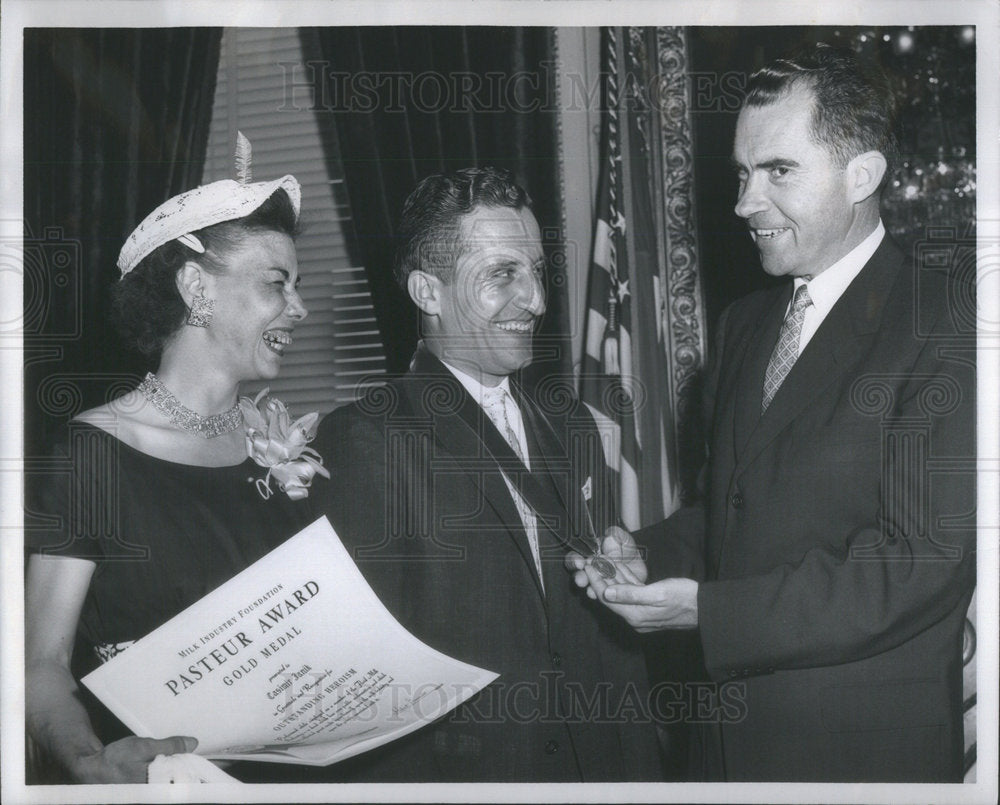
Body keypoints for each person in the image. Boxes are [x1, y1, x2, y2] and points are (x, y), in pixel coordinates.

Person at [569, 44, 976, 782]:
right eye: (740, 174)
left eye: (777, 171)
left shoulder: (947, 321)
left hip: (859, 758)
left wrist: (709, 616)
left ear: (864, 174)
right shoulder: (745, 326)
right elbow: (735, 512)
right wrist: (647, 553)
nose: (743, 203)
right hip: (722, 751)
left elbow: (921, 563)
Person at [309, 167, 664, 782]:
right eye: (503, 274)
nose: (537, 300)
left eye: (537, 272)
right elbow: (357, 682)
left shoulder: (572, 423)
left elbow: (606, 640)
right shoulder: (360, 440)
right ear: (428, 292)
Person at [25, 159, 321, 783]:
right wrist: (87, 763)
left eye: (297, 285)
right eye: (277, 283)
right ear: (198, 288)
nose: (300, 307)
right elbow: (40, 661)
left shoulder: (282, 442)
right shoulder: (91, 453)